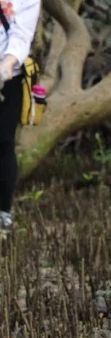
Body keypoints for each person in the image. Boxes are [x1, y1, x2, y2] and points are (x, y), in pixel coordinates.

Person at [0, 0, 40, 234]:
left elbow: (21, 35)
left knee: (3, 142)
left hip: (8, 79)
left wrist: (6, 65)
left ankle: (3, 212)